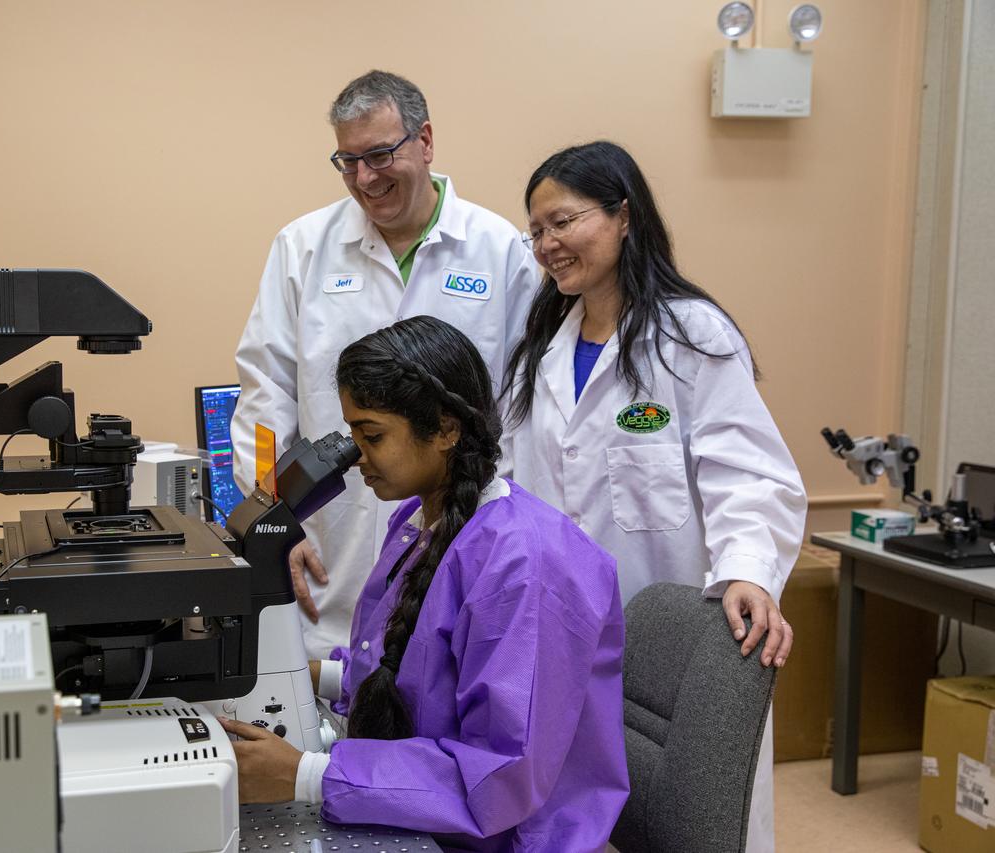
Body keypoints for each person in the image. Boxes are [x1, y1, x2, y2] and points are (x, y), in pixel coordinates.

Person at [221, 316, 628, 852]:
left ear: (445, 429)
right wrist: (311, 675)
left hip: (506, 838)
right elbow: (415, 674)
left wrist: (308, 776)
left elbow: (499, 777)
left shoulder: (525, 566)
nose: (355, 457)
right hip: (424, 818)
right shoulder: (419, 523)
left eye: (372, 435)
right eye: (351, 435)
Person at [500, 141, 806, 853]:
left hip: (664, 627)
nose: (548, 244)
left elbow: (748, 471)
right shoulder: (542, 344)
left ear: (623, 216)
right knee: (571, 812)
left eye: (564, 221)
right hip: (559, 625)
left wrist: (749, 571)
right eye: (537, 229)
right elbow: (510, 475)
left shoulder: (690, 334)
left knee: (684, 815)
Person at [232, 70, 540, 658]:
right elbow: (266, 390)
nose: (365, 178)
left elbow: (523, 405)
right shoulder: (303, 248)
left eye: (379, 154)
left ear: (425, 142)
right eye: (347, 162)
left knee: (443, 692)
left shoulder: (498, 249)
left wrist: (502, 531)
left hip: (464, 536)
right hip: (333, 541)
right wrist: (274, 517)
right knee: (333, 696)